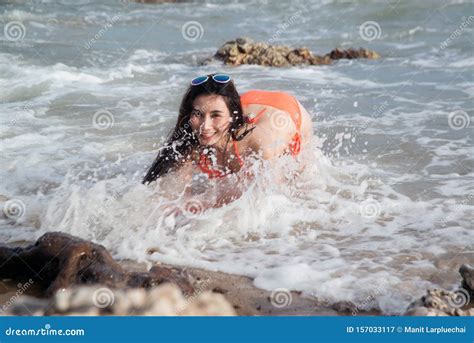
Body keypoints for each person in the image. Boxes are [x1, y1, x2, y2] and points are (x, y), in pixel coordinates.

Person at [142, 73, 313, 196]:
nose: (205, 126)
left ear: (232, 116)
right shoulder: (191, 139)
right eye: (197, 114)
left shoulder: (260, 143)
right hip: (247, 103)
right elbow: (172, 195)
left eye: (215, 116)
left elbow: (270, 201)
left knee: (297, 182)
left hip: (287, 112)